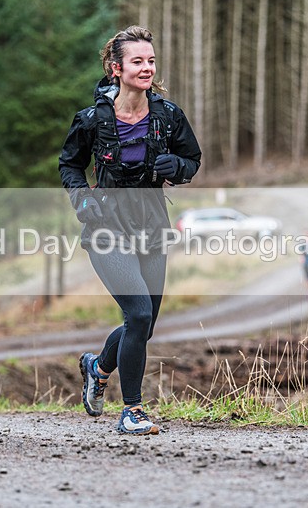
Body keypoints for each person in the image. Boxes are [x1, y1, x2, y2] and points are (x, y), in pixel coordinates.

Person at [59, 26, 201, 435]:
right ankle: (133, 411)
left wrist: (179, 169)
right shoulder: (91, 120)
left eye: (151, 61)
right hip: (106, 225)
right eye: (138, 61)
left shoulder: (168, 115)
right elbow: (69, 165)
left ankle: (97, 368)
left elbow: (192, 159)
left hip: (153, 224)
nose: (146, 68)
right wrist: (81, 198)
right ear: (116, 68)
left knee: (145, 324)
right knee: (137, 313)